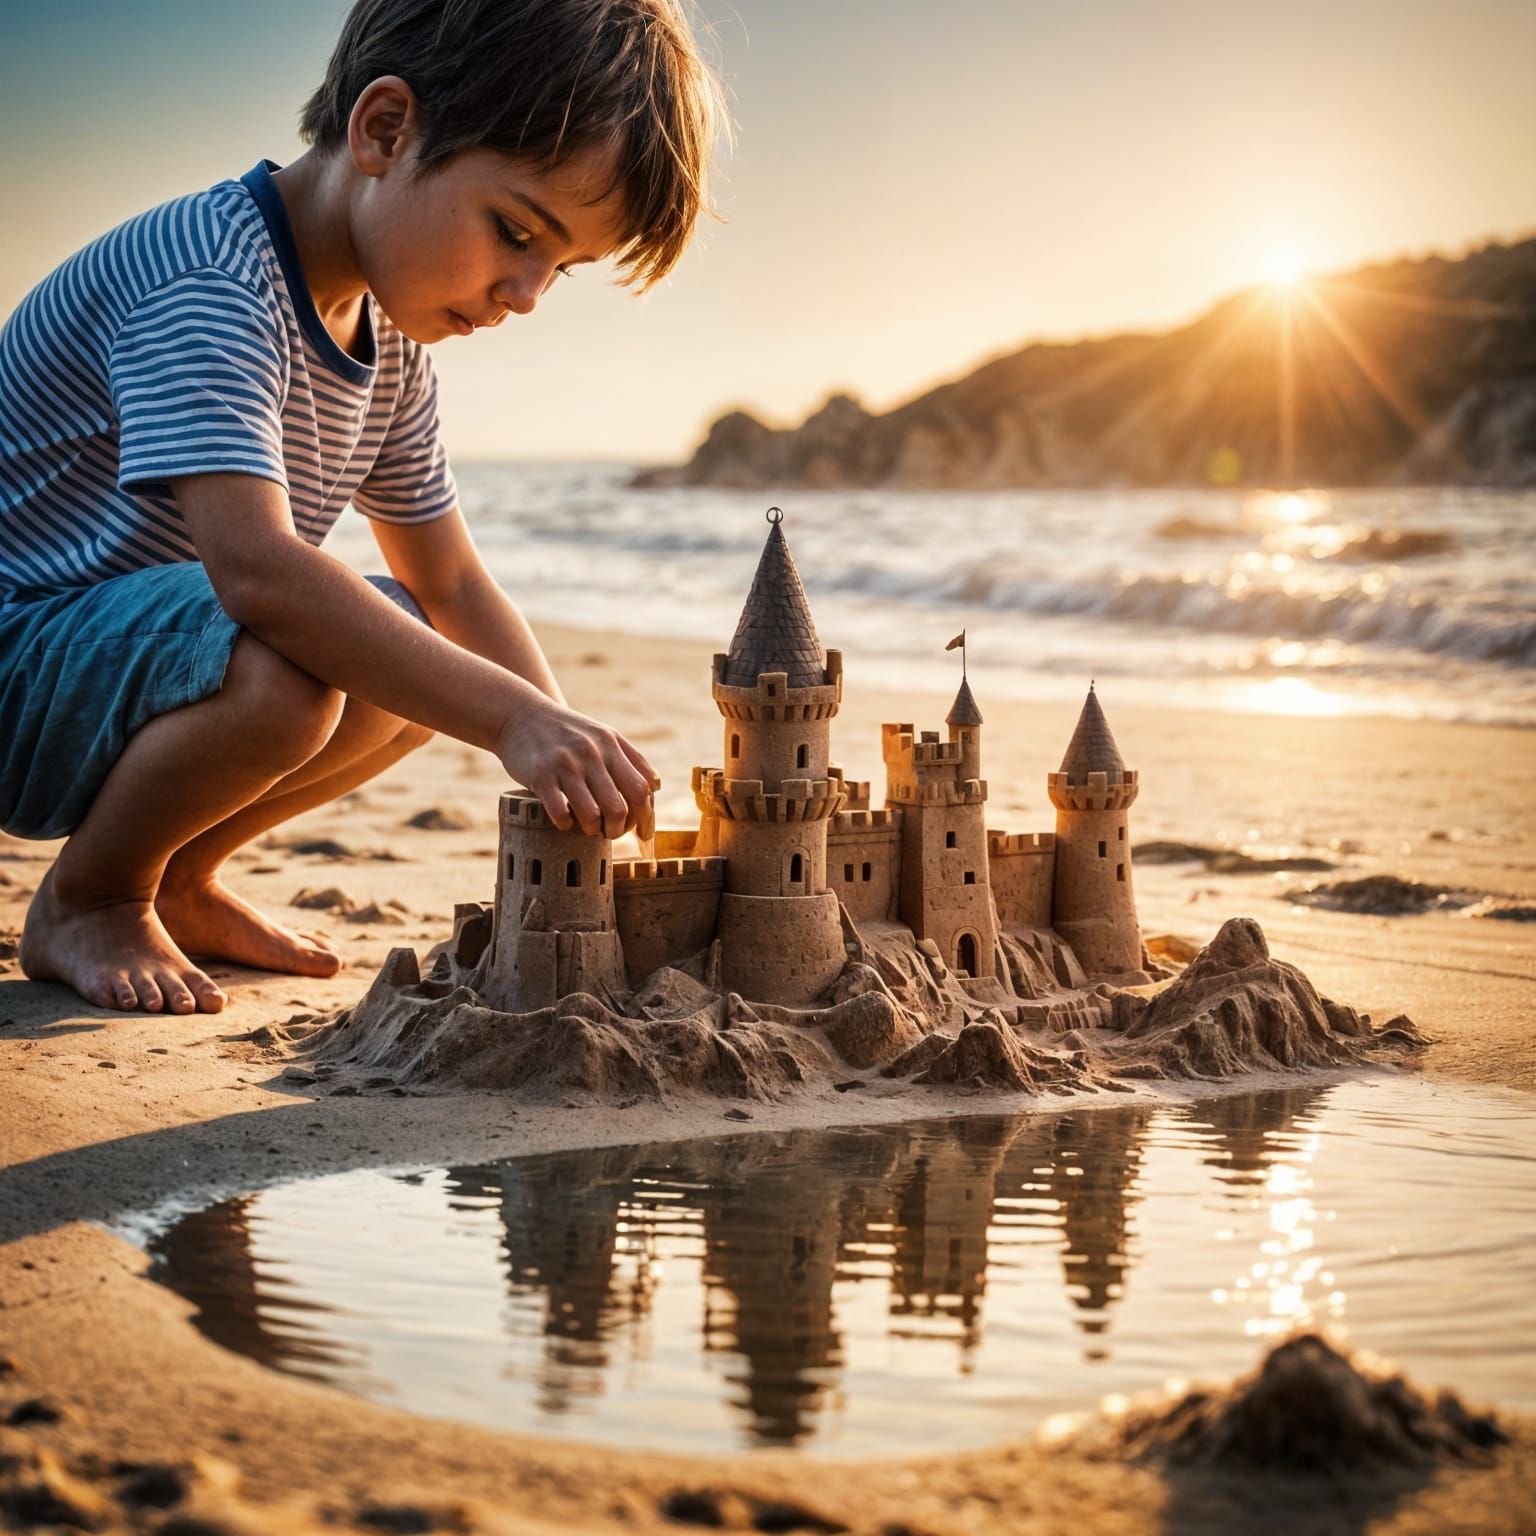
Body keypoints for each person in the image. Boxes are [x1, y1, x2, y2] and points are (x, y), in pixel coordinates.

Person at [0, 0, 719, 1016]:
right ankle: (92, 897)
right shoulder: (208, 280)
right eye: (516, 233)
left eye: (558, 270)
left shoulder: (389, 348)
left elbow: (451, 582)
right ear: (383, 130)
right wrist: (513, 720)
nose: (524, 294)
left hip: (109, 675)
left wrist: (561, 738)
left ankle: (175, 876)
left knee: (411, 645)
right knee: (293, 663)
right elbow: (256, 573)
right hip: (20, 660)